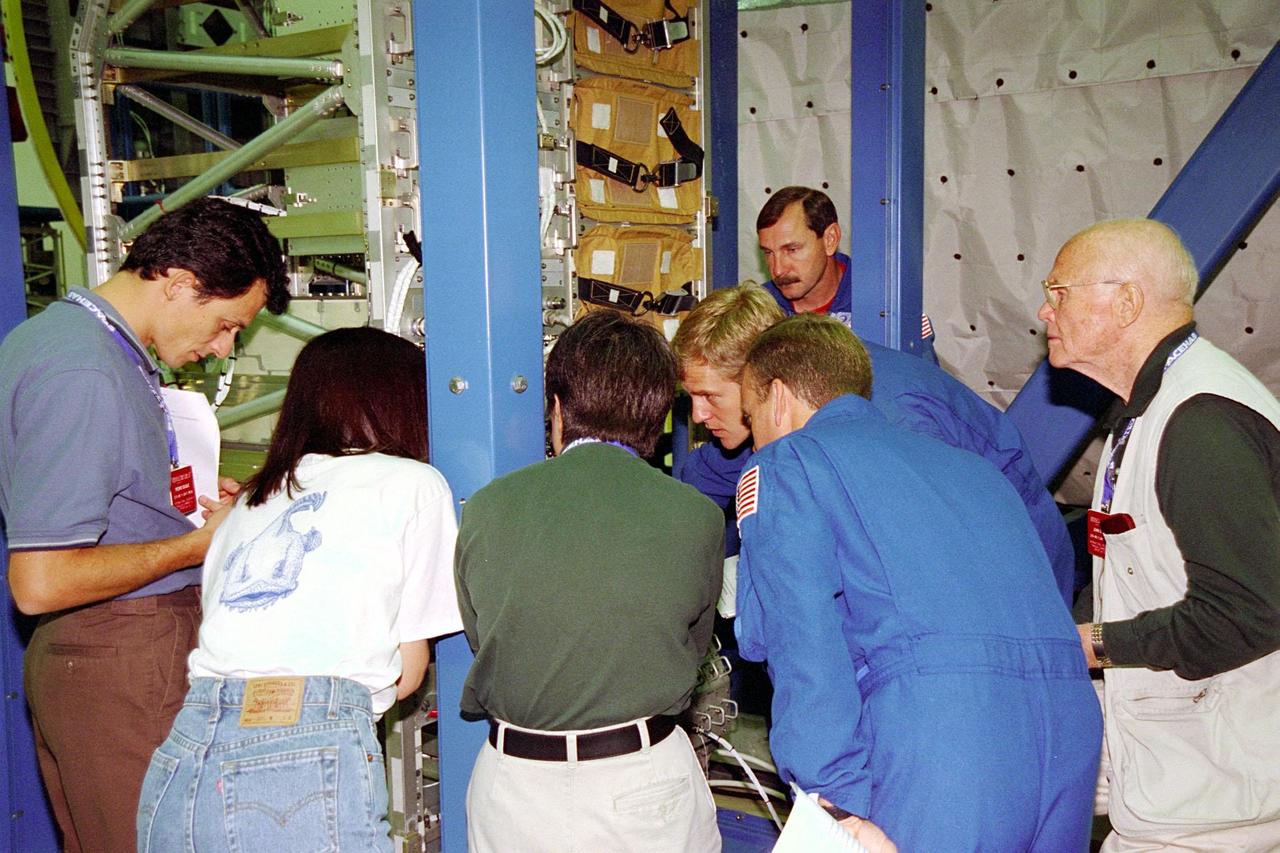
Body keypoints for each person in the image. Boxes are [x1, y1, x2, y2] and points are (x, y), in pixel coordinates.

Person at [735, 314, 1101, 851]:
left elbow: (802, 640)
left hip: (943, 743)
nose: (752, 440)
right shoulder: (977, 472)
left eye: (750, 416)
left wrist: (833, 803)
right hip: (1067, 736)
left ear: (779, 397)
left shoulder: (790, 463)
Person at [0, 197, 289, 852]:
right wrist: (198, 544)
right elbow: (41, 580)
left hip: (107, 656)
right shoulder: (84, 369)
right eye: (226, 324)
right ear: (180, 282)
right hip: (123, 659)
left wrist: (177, 506)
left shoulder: (72, 342)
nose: (223, 347)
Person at [135, 326, 463, 851]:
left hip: (188, 748)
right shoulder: (413, 483)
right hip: (308, 750)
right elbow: (406, 674)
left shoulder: (252, 496)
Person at [1039, 218, 1280, 850]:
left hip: (1222, 803)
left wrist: (1094, 644)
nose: (1045, 310)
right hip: (1185, 786)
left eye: (1059, 291)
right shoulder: (1151, 407)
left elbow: (1248, 612)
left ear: (1126, 301)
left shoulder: (1202, 421)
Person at [455, 311, 723, 853]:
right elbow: (693, 650)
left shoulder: (485, 509)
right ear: (658, 418)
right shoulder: (696, 517)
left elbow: (484, 637)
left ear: (556, 407)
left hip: (513, 789)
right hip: (643, 781)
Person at [674, 282, 1076, 609]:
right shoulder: (775, 408)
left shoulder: (889, 418)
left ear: (760, 379)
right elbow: (701, 483)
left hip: (1008, 563)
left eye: (709, 396)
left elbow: (926, 569)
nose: (698, 415)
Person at [756, 185, 935, 360]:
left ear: (830, 239)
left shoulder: (888, 308)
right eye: (768, 252)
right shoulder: (757, 310)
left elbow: (924, 378)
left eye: (792, 249)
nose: (778, 270)